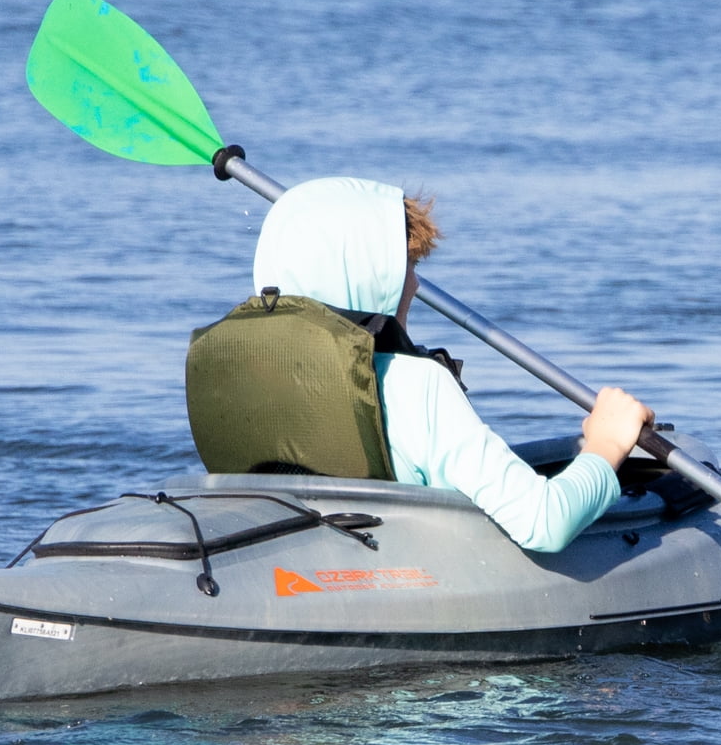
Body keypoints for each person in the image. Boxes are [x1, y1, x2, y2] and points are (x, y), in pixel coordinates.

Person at [184, 176, 651, 553]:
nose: (414, 285)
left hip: (287, 558)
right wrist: (605, 444)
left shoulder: (239, 373)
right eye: (405, 265)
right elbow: (543, 522)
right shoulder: (416, 388)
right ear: (371, 276)